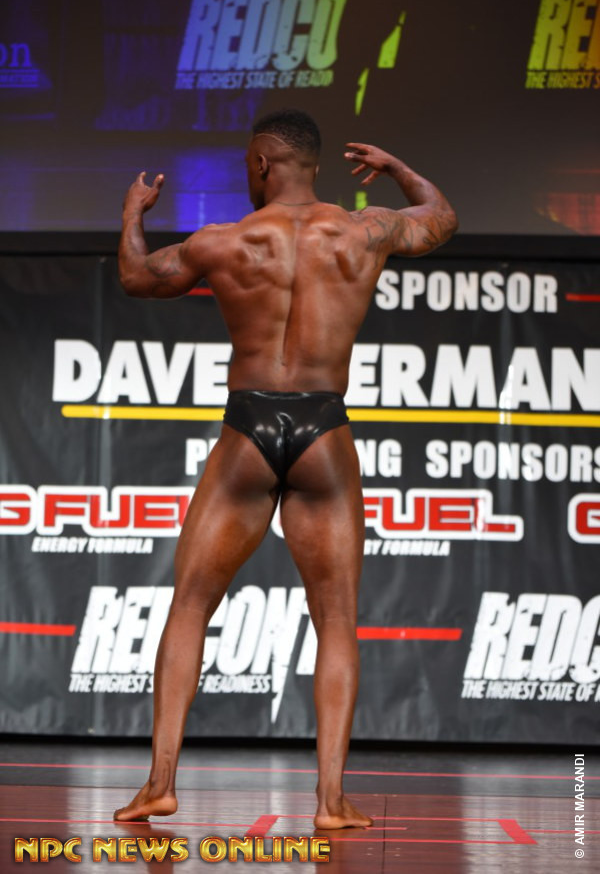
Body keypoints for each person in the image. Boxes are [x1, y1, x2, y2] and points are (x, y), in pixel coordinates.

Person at [114, 109, 457, 829]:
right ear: (316, 165)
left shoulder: (223, 241)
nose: (247, 173)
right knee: (336, 620)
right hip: (323, 428)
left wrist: (132, 214)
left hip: (247, 426)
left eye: (249, 163)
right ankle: (331, 801)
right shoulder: (364, 231)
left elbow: (137, 278)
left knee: (189, 605)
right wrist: (398, 170)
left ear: (264, 163)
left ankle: (159, 785)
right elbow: (441, 219)